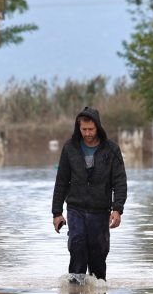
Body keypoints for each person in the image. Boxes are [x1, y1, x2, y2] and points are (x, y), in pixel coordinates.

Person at [52, 106, 127, 281]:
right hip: (75, 208)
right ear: (79, 128)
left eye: (90, 129)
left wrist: (118, 209)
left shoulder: (111, 150)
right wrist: (57, 212)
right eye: (83, 129)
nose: (87, 133)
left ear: (98, 127)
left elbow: (120, 182)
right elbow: (61, 181)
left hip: (100, 210)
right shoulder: (70, 148)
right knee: (77, 246)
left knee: (98, 255)